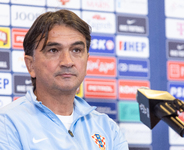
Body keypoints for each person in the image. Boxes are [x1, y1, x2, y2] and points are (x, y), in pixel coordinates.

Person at [0, 9, 129, 150]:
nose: (67, 62)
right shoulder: (7, 124)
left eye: (76, 50)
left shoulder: (108, 128)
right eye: (54, 50)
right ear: (30, 65)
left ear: (87, 60)